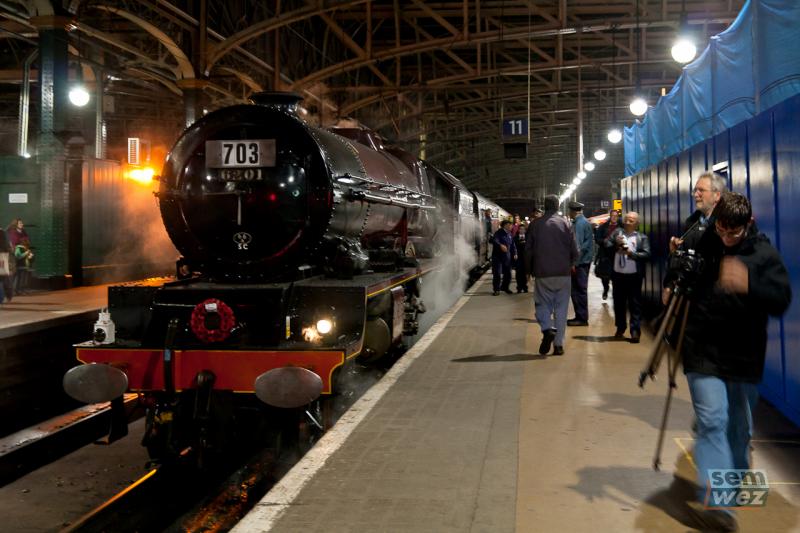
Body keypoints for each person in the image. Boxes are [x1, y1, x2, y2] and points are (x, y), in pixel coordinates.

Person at [677, 192, 790, 531]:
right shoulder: (704, 240)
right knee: (712, 421)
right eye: (721, 230)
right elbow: (681, 268)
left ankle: (733, 485)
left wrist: (749, 284)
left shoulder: (765, 255)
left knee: (738, 430)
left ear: (748, 224)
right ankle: (720, 505)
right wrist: (676, 274)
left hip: (744, 355)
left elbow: (781, 300)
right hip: (703, 350)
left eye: (733, 233)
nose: (725, 238)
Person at [526, 195, 578, 355]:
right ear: (557, 206)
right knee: (561, 310)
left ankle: (547, 329)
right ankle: (558, 345)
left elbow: (528, 250)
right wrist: (571, 264)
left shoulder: (535, 225)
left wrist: (528, 270)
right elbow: (575, 250)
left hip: (543, 273)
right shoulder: (567, 223)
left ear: (545, 206)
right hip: (563, 274)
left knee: (542, 305)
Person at [663, 171, 726, 304]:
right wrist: (669, 283)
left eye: (701, 190)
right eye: (695, 190)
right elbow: (684, 260)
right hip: (691, 298)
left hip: (716, 301)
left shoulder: (727, 224)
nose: (696, 194)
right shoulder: (691, 223)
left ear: (717, 195)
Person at [606, 212, 650, 343]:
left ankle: (635, 330)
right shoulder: (617, 234)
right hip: (618, 275)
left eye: (631, 221)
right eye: (626, 220)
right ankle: (620, 327)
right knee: (618, 303)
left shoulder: (642, 237)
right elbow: (605, 244)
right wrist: (615, 243)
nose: (627, 222)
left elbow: (647, 254)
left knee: (635, 304)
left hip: (634, 276)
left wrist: (631, 253)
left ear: (637, 224)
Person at [567, 201, 594, 326]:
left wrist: (573, 263)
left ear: (572, 211)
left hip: (580, 263)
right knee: (580, 289)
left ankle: (581, 318)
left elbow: (577, 246)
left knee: (577, 290)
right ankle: (581, 316)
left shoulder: (578, 224)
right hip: (585, 261)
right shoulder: (585, 222)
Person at [594, 209, 620, 300]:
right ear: (610, 216)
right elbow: (597, 238)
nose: (614, 217)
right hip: (605, 255)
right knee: (604, 277)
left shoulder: (621, 227)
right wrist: (604, 241)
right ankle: (606, 289)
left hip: (617, 255)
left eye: (616, 216)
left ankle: (615, 293)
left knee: (615, 277)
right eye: (612, 215)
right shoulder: (603, 226)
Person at [491, 219, 516, 296]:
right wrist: (500, 245)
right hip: (498, 257)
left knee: (508, 274)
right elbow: (495, 240)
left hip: (507, 257)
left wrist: (515, 253)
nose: (511, 226)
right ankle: (496, 289)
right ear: (505, 225)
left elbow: (512, 245)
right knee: (497, 273)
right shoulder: (498, 233)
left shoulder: (509, 234)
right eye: (510, 225)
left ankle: (505, 287)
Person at [7, 219, 32, 294]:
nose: (22, 224)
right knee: (16, 273)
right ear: (16, 224)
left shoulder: (23, 231)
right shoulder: (13, 232)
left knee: (23, 272)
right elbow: (15, 242)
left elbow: (27, 240)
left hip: (23, 252)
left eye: (22, 223)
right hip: (15, 254)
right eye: (20, 223)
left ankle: (20, 289)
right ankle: (13, 290)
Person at [514, 221, 528, 293]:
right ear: (518, 230)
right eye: (520, 229)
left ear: (525, 230)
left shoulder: (528, 238)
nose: (522, 230)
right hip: (518, 259)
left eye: (523, 229)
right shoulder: (515, 238)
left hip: (526, 259)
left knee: (525, 274)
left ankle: (525, 287)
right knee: (518, 274)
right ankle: (519, 287)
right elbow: (513, 248)